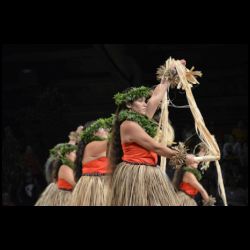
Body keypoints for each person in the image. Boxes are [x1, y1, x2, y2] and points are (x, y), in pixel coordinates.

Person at [109, 72, 198, 205]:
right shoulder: (128, 125)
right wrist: (184, 157)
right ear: (128, 105)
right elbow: (156, 147)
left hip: (150, 170)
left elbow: (156, 96)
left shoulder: (142, 120)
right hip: (135, 174)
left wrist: (171, 73)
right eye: (140, 101)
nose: (145, 104)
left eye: (145, 100)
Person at [71, 118, 113, 206]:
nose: (106, 130)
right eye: (103, 128)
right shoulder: (92, 145)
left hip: (104, 182)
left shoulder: (102, 147)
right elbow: (115, 140)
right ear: (94, 132)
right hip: (96, 185)